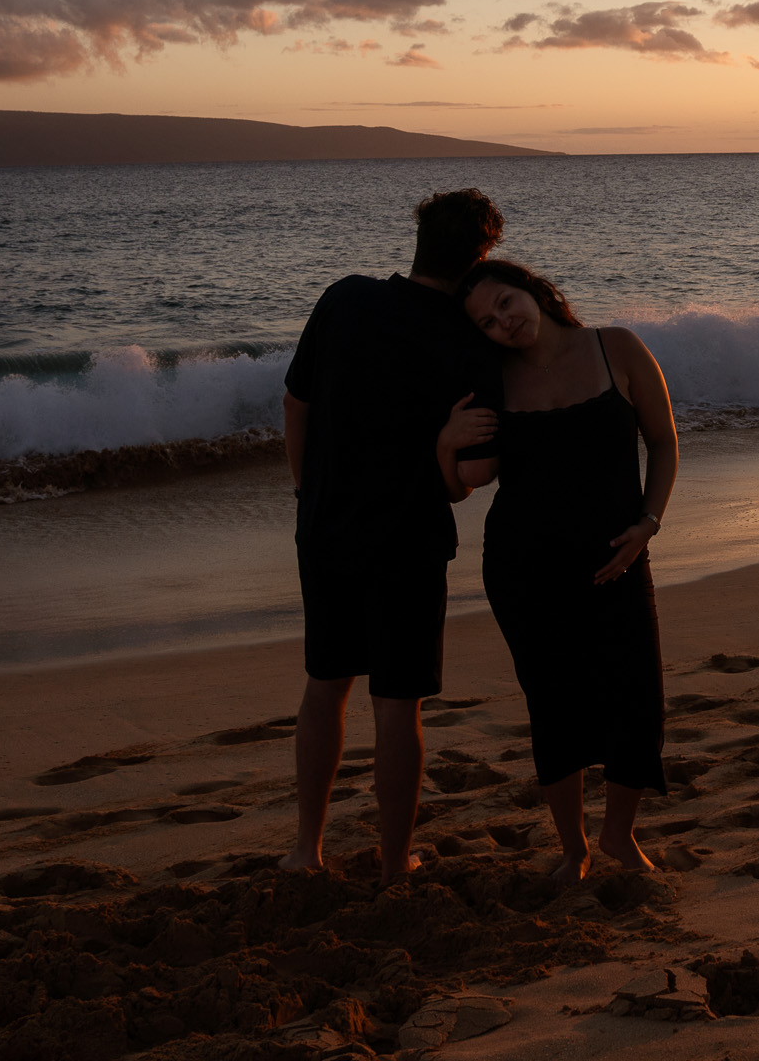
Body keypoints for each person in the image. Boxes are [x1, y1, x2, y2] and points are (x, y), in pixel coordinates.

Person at [279, 188, 505, 885]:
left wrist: (305, 489)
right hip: (408, 538)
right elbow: (472, 474)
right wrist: (440, 456)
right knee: (396, 704)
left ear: (416, 240)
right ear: (479, 259)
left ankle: (306, 849)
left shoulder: (343, 299)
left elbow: (296, 402)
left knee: (325, 685)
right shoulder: (471, 342)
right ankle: (391, 860)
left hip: (326, 528)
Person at [434, 259, 677, 880]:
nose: (503, 323)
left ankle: (619, 836)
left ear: (535, 291)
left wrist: (648, 525)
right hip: (526, 569)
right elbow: (469, 483)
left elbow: (665, 442)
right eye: (486, 322)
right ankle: (574, 849)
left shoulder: (615, 347)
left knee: (638, 697)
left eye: (507, 304)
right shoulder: (493, 381)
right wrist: (443, 444)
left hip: (616, 561)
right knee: (555, 705)